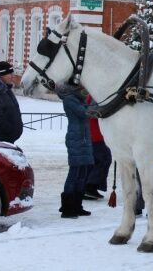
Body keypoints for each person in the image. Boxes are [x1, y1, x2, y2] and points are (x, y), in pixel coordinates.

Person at [57, 84, 94, 219]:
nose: (85, 90)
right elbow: (84, 113)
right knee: (75, 173)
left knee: (83, 172)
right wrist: (93, 101)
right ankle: (67, 208)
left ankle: (77, 205)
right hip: (76, 138)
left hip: (83, 138)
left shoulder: (79, 99)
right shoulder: (70, 99)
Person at [0, 61, 23, 143]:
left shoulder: (6, 90)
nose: (13, 76)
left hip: (7, 139)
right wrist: (11, 130)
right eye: (10, 74)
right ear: (1, 75)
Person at [84, 95, 112, 200]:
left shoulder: (93, 95)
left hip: (94, 133)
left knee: (97, 160)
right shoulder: (96, 96)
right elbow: (94, 113)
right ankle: (90, 186)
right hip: (96, 134)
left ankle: (90, 186)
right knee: (104, 159)